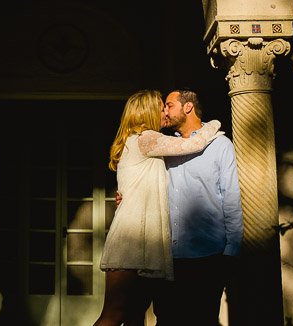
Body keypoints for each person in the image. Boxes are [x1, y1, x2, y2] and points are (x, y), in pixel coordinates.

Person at [93, 89, 223, 326]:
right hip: (133, 237)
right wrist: (213, 124)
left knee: (132, 315)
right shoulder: (146, 138)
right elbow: (194, 143)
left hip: (144, 237)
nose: (165, 111)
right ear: (148, 111)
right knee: (114, 314)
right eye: (161, 106)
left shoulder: (140, 141)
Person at [152, 89, 244, 325]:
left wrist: (231, 251)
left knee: (203, 319)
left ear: (188, 107)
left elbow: (231, 199)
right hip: (167, 257)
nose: (165, 111)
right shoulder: (163, 147)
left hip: (207, 256)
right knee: (166, 319)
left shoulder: (221, 145)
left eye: (169, 105)